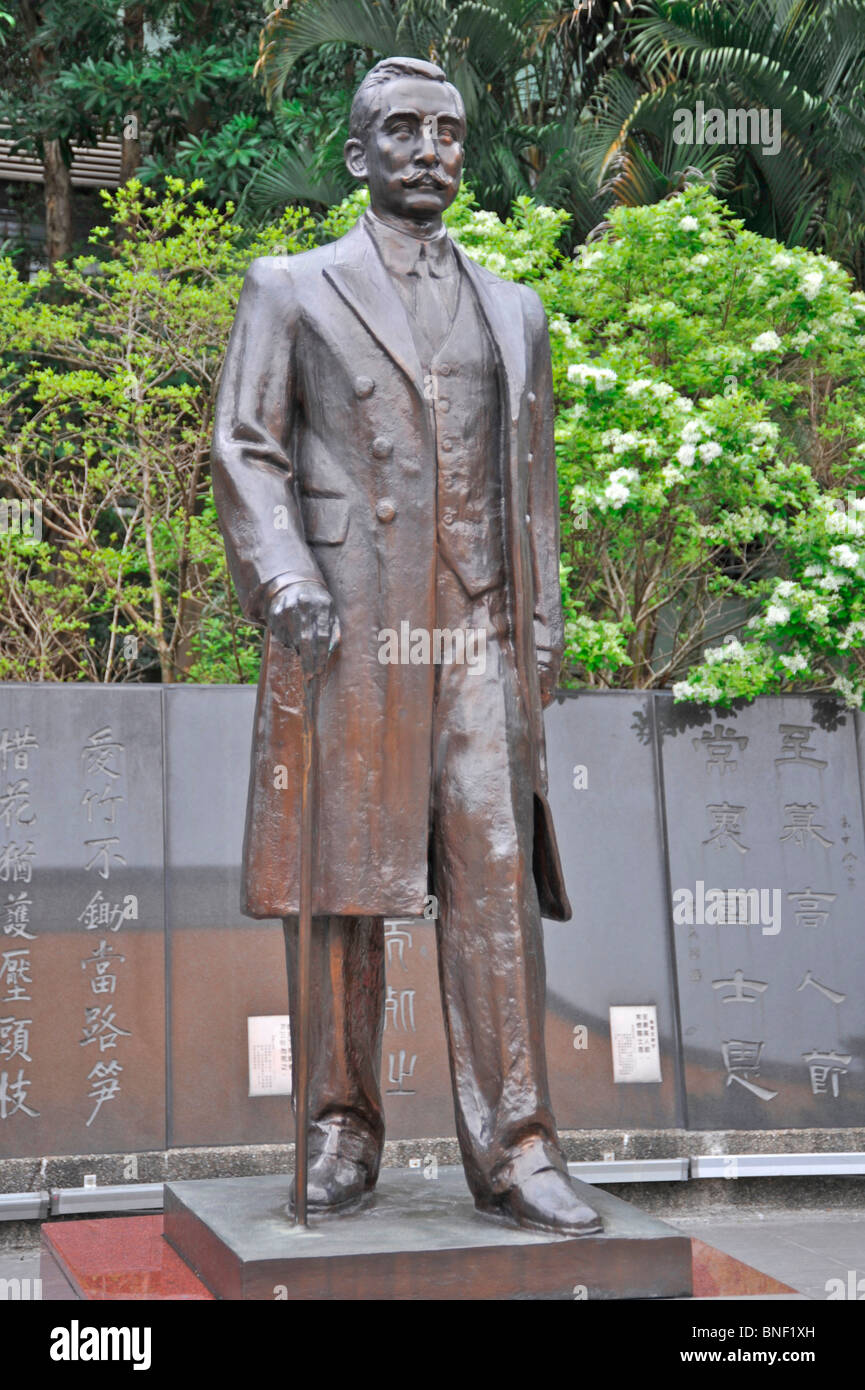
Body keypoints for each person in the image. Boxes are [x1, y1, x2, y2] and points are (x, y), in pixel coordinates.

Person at [211, 55, 601, 1237]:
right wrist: (284, 576)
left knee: (491, 884)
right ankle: (340, 1129)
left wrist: (540, 629)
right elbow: (246, 446)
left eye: (446, 129)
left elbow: (528, 486)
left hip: (477, 630)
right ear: (355, 154)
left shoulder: (515, 309)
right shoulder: (291, 287)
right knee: (345, 889)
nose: (428, 147)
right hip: (354, 630)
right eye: (401, 129)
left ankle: (518, 1146)